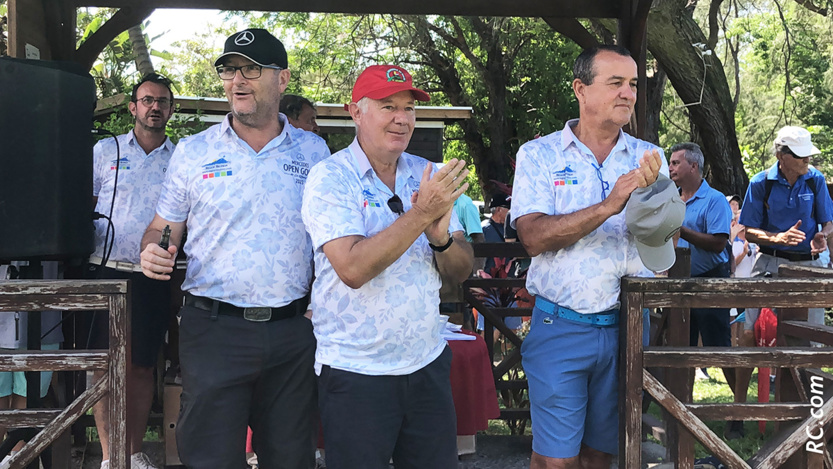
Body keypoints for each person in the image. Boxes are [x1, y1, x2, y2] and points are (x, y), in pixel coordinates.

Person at [139, 28, 329, 469]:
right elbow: (161, 229)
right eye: (228, 70)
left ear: (281, 80)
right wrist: (155, 248)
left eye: (250, 69)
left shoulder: (314, 152)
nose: (237, 80)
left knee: (290, 457)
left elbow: (331, 237)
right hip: (214, 328)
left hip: (293, 331)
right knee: (209, 458)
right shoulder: (193, 152)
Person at [301, 64, 474, 469]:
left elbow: (461, 270)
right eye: (387, 106)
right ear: (355, 112)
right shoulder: (330, 178)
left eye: (409, 108)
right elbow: (353, 269)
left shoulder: (426, 174)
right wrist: (421, 215)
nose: (402, 118)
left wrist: (441, 238)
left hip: (426, 364)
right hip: (356, 372)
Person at [512, 45, 665, 469]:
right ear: (580, 89)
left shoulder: (649, 157)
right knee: (556, 461)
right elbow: (532, 237)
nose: (628, 93)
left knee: (602, 455)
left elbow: (661, 253)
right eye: (615, 82)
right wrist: (608, 205)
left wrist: (659, 204)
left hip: (629, 328)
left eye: (633, 84)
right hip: (561, 323)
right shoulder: (539, 154)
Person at [85, 72, 176, 469]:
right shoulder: (104, 151)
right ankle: (110, 456)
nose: (155, 107)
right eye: (148, 100)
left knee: (141, 364)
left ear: (171, 110)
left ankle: (134, 451)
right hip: (103, 269)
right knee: (105, 366)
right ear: (133, 107)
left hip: (152, 276)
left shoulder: (181, 158)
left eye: (162, 101)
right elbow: (82, 205)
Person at [734, 125, 833, 435]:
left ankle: (810, 416)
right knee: (750, 334)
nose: (806, 161)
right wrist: (778, 238)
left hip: (809, 264)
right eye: (800, 156)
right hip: (769, 263)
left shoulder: (814, 179)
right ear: (782, 156)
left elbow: (828, 222)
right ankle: (737, 412)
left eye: (807, 156)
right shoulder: (760, 183)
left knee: (811, 339)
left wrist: (823, 236)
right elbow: (746, 231)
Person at [668, 143, 733, 349]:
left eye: (676, 163)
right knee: (679, 345)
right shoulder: (670, 199)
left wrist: (681, 230)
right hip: (678, 280)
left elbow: (718, 243)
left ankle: (736, 382)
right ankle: (679, 383)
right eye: (670, 163)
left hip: (710, 282)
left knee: (719, 347)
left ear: (693, 166)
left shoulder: (715, 200)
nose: (670, 168)